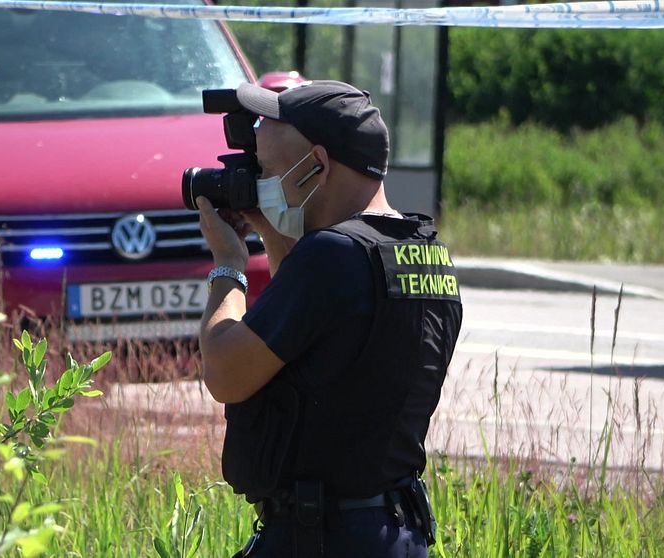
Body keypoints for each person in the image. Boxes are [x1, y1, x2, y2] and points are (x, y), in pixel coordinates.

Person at [196, 81, 463, 557]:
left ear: (316, 165)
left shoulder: (332, 256)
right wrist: (275, 237)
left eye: (271, 172)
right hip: (392, 531)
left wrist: (228, 265)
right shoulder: (423, 253)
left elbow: (225, 371)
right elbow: (315, 353)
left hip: (319, 536)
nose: (263, 184)